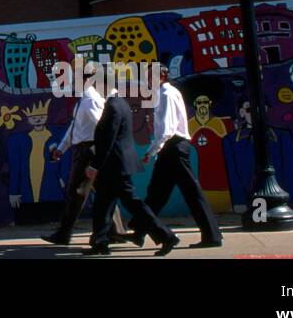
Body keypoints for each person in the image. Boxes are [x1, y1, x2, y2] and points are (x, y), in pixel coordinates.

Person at [86, 84, 178, 256]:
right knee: (102, 205)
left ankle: (166, 236)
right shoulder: (120, 103)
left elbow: (109, 139)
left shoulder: (113, 106)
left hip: (115, 166)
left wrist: (94, 165)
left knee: (133, 204)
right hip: (115, 166)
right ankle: (100, 242)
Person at [40, 69, 129, 245]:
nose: (75, 83)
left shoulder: (90, 101)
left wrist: (96, 154)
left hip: (89, 151)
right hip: (85, 149)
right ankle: (116, 231)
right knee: (102, 192)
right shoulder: (83, 101)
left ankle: (64, 234)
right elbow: (75, 127)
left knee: (76, 192)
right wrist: (61, 149)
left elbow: (102, 129)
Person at [142, 66, 222, 248]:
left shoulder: (167, 94)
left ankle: (212, 235)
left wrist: (151, 151)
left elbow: (167, 129)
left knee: (191, 193)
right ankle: (140, 231)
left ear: (161, 75)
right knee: (157, 193)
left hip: (173, 147)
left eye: (150, 76)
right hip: (172, 147)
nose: (148, 80)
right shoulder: (165, 93)